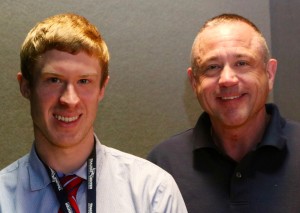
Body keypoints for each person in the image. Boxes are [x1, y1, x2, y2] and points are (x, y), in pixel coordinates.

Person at [0, 13, 187, 213]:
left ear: (102, 88)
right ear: (26, 86)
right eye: (54, 80)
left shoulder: (153, 193)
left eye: (84, 81)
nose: (69, 99)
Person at [148, 13, 300, 212]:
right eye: (212, 67)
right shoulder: (163, 165)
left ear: (269, 74)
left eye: (242, 63)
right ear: (194, 83)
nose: (227, 79)